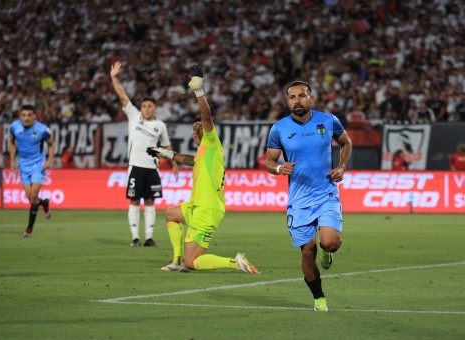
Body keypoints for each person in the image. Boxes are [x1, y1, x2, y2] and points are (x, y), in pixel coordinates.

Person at [147, 64, 259, 274]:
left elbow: (206, 117)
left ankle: (235, 263)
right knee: (171, 214)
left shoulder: (212, 141)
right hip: (198, 205)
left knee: (193, 262)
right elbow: (189, 160)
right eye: (193, 128)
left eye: (198, 127)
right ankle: (176, 260)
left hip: (207, 210)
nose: (196, 130)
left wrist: (198, 91)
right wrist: (164, 153)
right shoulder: (203, 153)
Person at [265, 81, 352, 311]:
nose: (297, 100)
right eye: (292, 97)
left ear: (311, 98)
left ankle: (327, 249)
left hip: (326, 193)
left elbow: (346, 142)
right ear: (288, 101)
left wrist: (342, 167)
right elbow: (269, 161)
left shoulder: (328, 120)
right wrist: (278, 169)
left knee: (330, 242)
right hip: (299, 200)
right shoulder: (279, 129)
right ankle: (319, 298)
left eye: (302, 96)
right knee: (306, 254)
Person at [110, 61, 179, 247]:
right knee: (134, 201)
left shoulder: (160, 125)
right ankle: (135, 238)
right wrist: (113, 77)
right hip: (135, 167)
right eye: (144, 106)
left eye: (150, 106)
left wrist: (174, 163)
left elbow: (166, 146)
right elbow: (123, 96)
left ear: (155, 108)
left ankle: (148, 237)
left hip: (151, 168)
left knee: (150, 201)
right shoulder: (133, 116)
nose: (146, 109)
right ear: (140, 108)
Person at [9, 104, 55, 237]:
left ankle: (29, 228)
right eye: (24, 115)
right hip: (23, 166)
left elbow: (52, 145)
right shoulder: (14, 127)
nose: (26, 118)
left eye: (29, 115)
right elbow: (11, 142)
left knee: (34, 195)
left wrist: (49, 160)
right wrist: (12, 160)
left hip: (37, 165)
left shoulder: (42, 130)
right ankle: (45, 203)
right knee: (31, 198)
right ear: (20, 116)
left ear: (34, 116)